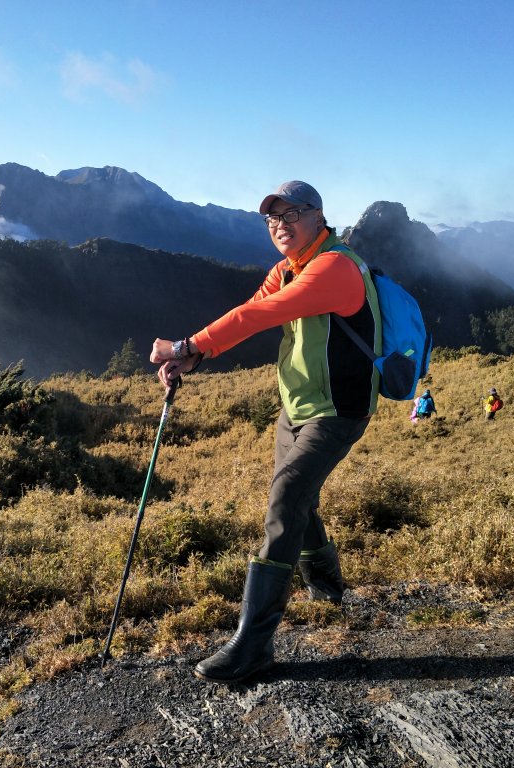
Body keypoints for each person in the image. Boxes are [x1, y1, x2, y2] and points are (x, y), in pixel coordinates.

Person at [150, 180, 379, 684]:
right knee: (297, 497)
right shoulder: (288, 267)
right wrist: (194, 355)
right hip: (296, 407)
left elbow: (262, 315)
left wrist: (185, 342)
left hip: (338, 410)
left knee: (286, 497)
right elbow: (248, 313)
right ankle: (328, 587)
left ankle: (254, 643)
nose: (280, 224)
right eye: (272, 218)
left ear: (318, 216)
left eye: (291, 213)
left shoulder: (336, 267)